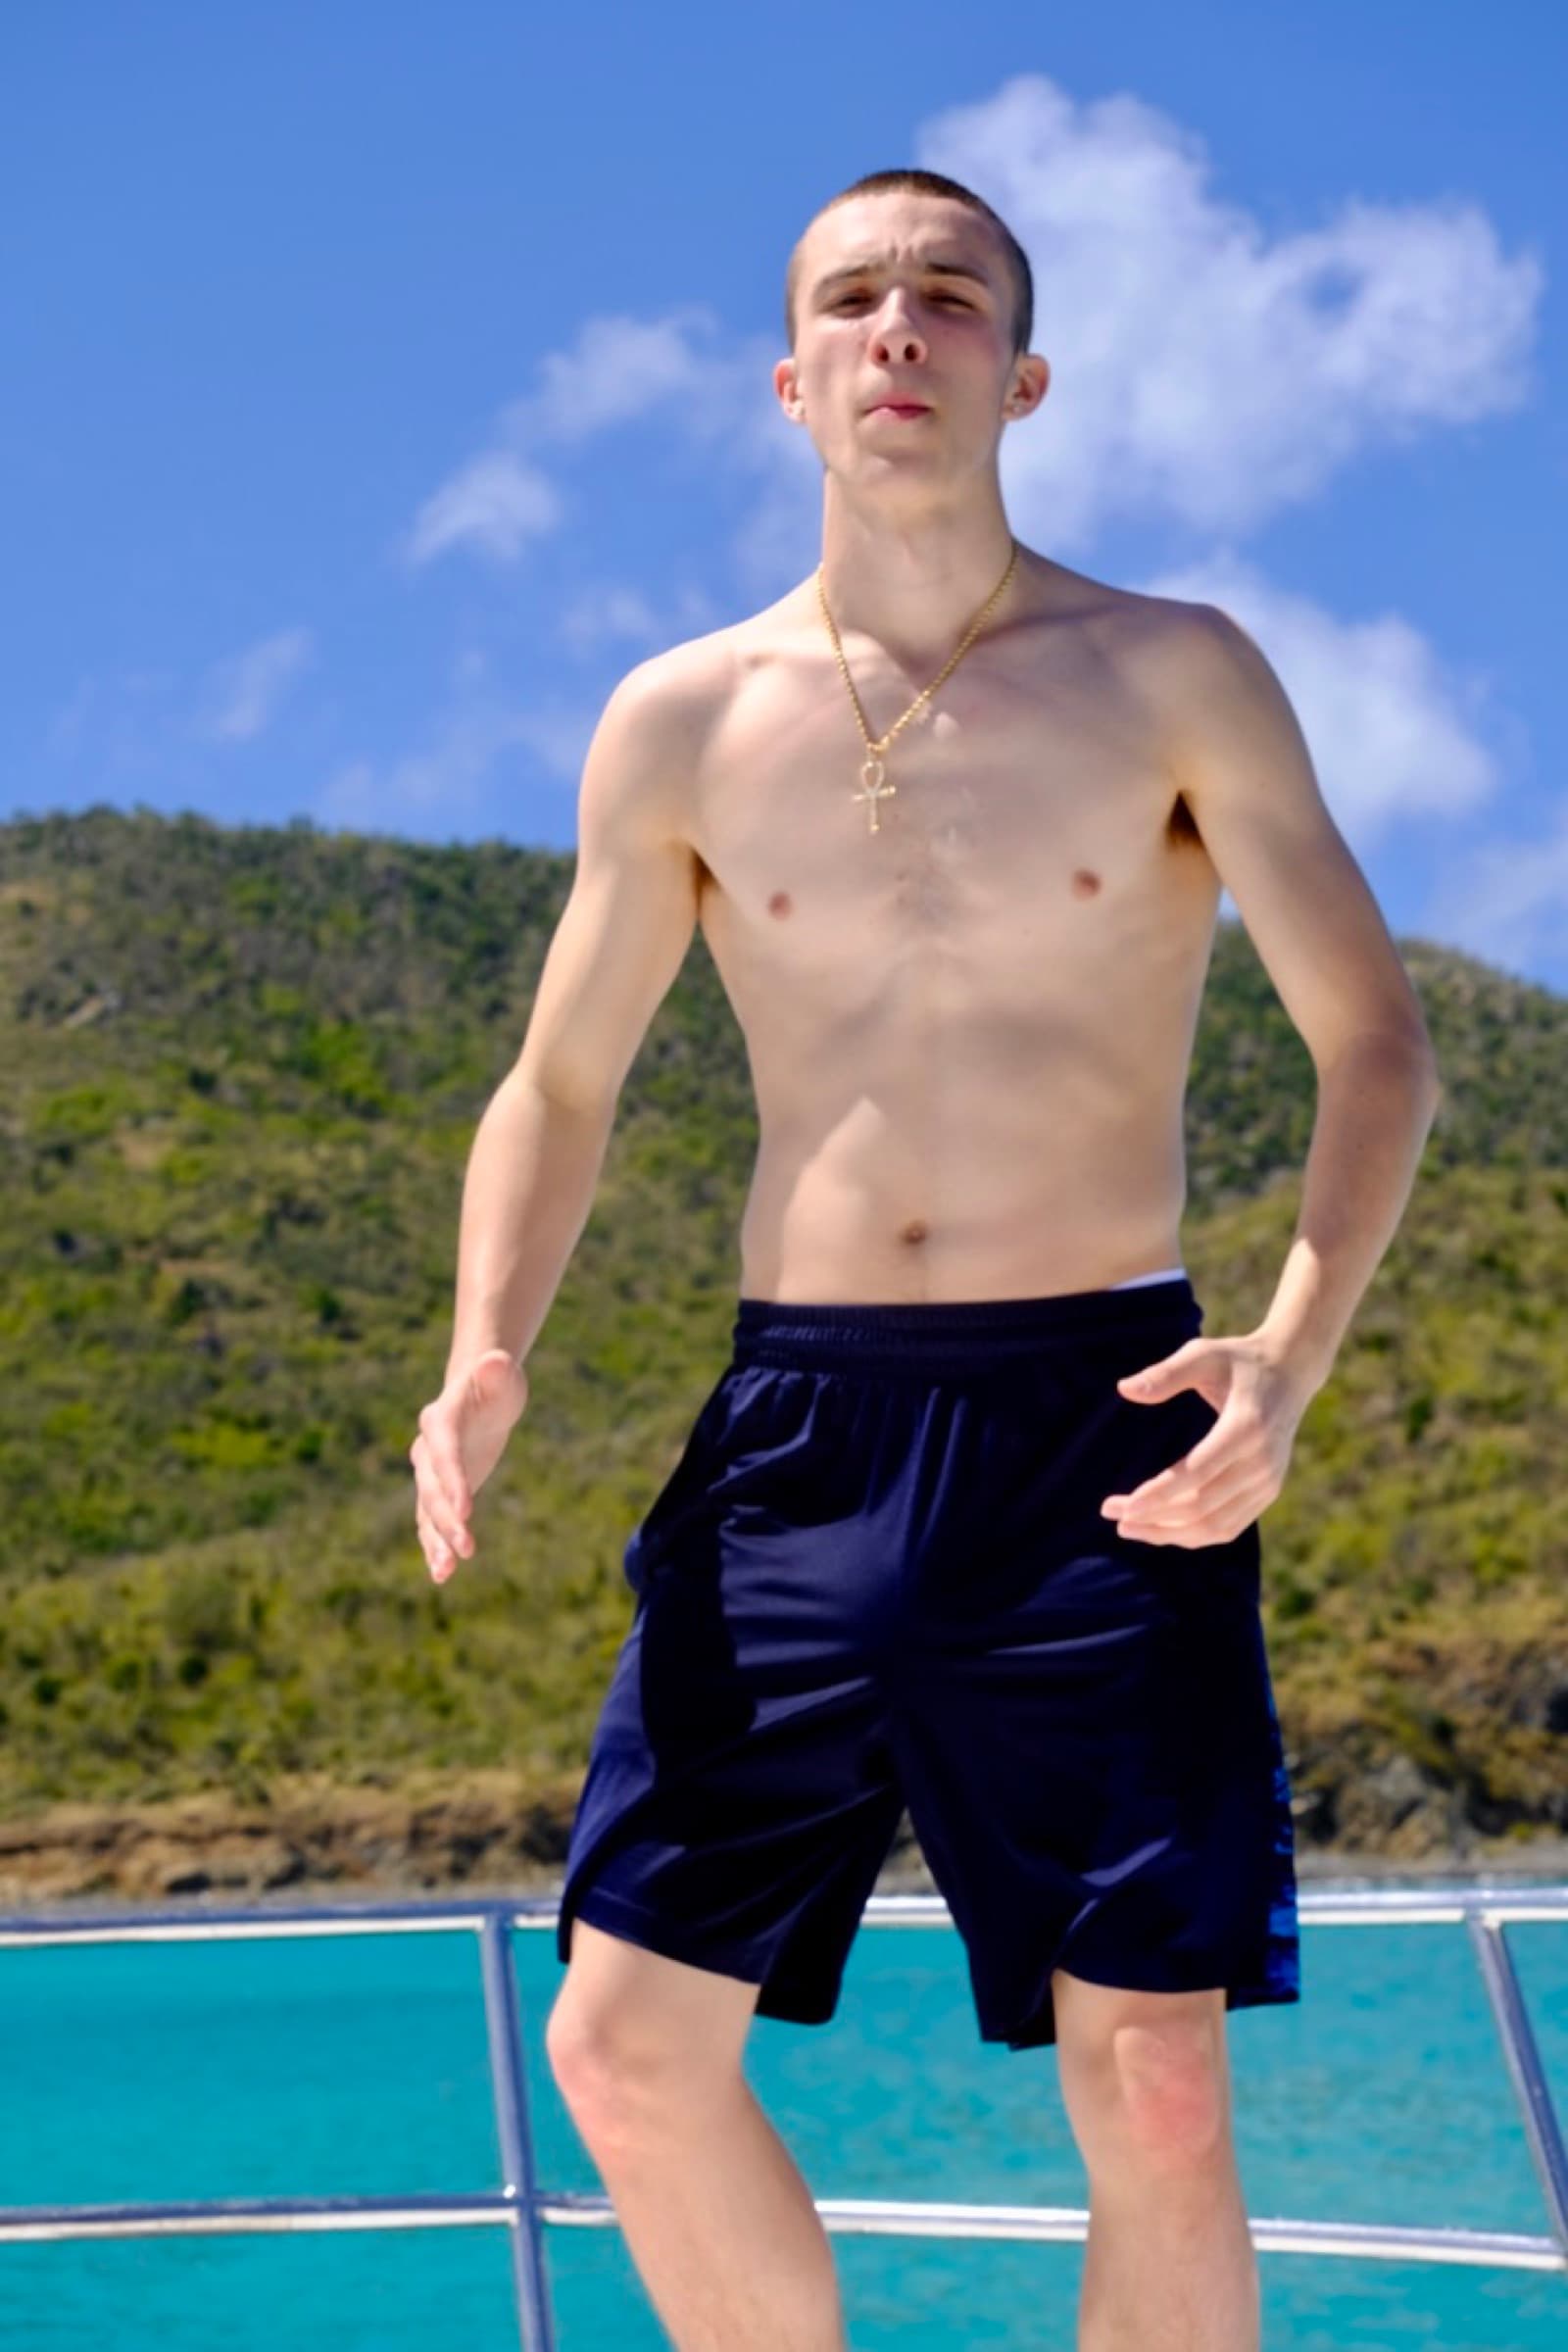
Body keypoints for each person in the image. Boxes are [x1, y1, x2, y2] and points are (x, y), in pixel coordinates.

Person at [408, 167, 1441, 2352]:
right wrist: (484, 1346)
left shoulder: (1168, 671)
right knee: (619, 2046)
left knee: (1150, 2081)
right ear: (791, 383)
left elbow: (1375, 1042)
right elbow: (559, 1083)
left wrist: (1286, 1348)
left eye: (946, 296)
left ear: (1018, 371)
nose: (900, 325)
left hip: (1104, 1422)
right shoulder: (679, 719)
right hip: (796, 1432)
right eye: (853, 299)